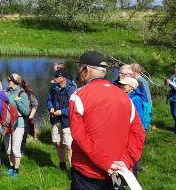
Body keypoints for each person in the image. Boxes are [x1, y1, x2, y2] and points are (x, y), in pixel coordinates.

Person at [69, 51, 145, 189]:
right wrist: (125, 161)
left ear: (86, 69)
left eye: (79, 67)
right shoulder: (124, 97)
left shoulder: (78, 95)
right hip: (118, 171)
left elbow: (79, 136)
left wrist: (106, 164)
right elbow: (138, 134)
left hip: (88, 174)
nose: (78, 71)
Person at [46, 67, 76, 171]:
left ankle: (73, 169)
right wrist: (51, 107)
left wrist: (62, 112)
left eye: (56, 76)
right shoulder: (54, 87)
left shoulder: (71, 89)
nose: (54, 78)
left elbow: (74, 107)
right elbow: (49, 100)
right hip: (55, 120)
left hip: (67, 121)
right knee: (58, 143)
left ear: (62, 78)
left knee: (68, 145)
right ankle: (62, 164)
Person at [117, 77, 147, 177]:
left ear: (131, 88)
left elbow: (138, 117)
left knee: (130, 155)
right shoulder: (126, 96)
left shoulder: (136, 99)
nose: (121, 86)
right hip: (124, 130)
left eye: (124, 85)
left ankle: (132, 178)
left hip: (131, 131)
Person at [4, 74, 30, 177]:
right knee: (8, 147)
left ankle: (16, 169)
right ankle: (11, 167)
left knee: (15, 148)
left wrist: (18, 102)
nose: (8, 82)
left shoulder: (22, 94)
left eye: (9, 80)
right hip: (7, 123)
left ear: (15, 81)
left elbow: (26, 111)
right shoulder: (7, 92)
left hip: (18, 124)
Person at [20, 78, 38, 153]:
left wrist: (30, 117)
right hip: (17, 117)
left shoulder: (29, 94)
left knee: (24, 134)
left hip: (27, 117)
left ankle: (22, 151)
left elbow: (35, 105)